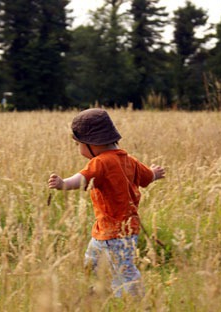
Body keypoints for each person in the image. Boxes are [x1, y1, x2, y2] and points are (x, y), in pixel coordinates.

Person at [48, 108, 165, 297]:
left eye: (78, 144)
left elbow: (82, 179)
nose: (79, 150)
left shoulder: (100, 162)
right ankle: (104, 291)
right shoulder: (129, 160)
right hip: (114, 231)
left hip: (114, 234)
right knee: (93, 263)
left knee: (124, 274)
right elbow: (146, 177)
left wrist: (63, 184)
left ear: (92, 143)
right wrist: (155, 174)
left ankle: (136, 302)